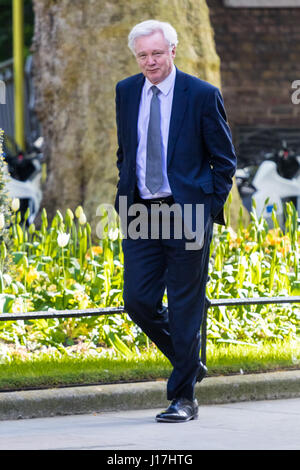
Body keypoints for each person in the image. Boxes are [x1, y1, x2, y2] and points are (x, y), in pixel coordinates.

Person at [114, 20, 236, 423]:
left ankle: (183, 397)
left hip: (186, 212)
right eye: (143, 55)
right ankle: (190, 362)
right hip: (141, 213)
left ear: (172, 50)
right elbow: (126, 151)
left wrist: (205, 206)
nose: (150, 61)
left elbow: (225, 159)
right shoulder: (126, 91)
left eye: (156, 53)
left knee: (185, 307)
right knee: (138, 301)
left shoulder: (201, 95)